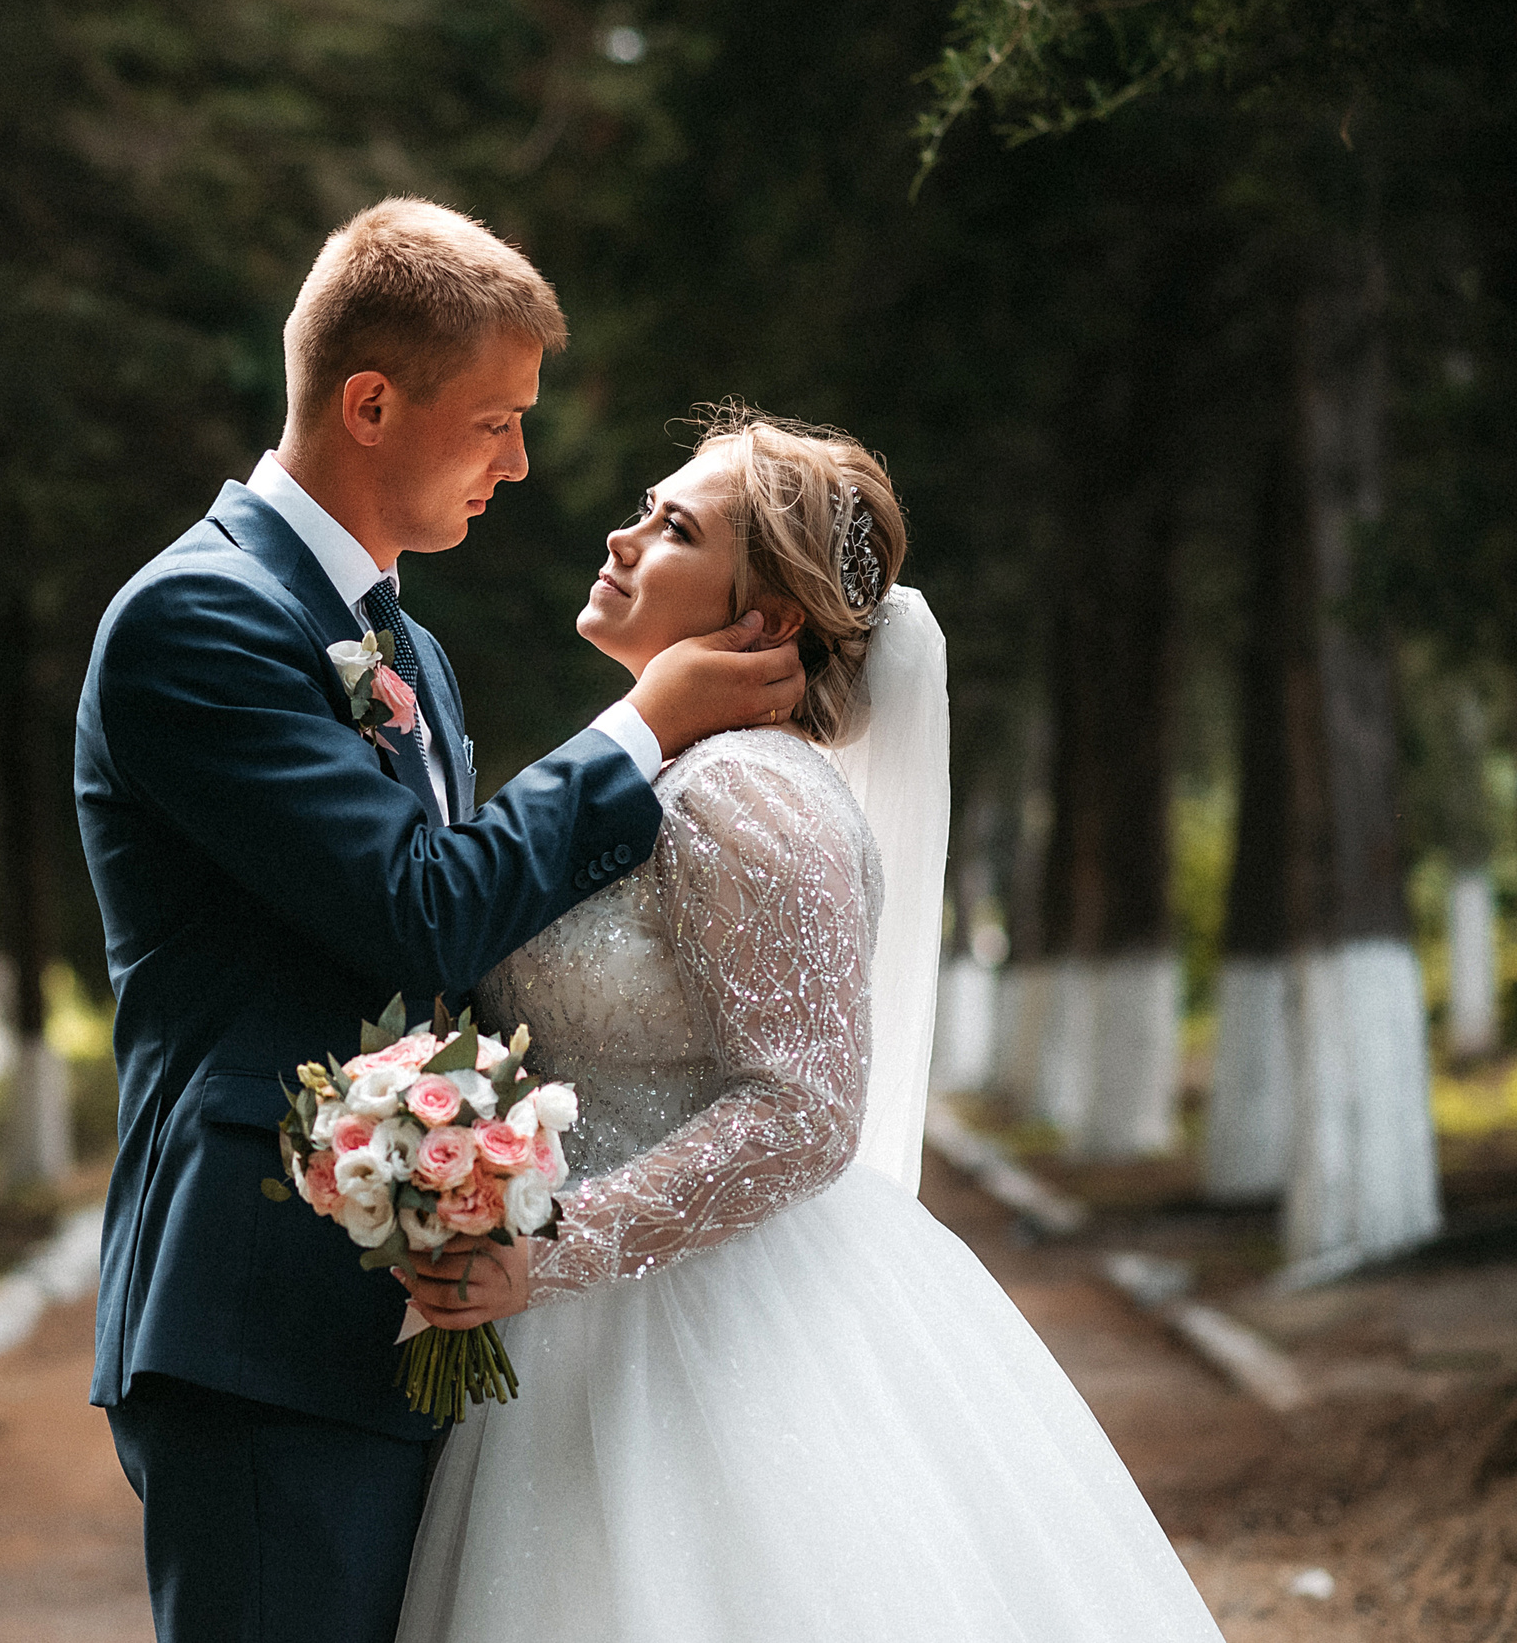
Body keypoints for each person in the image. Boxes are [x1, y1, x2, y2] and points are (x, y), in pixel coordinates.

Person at [73, 200, 804, 1643]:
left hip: (414, 1307)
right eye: (494, 422)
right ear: (368, 403)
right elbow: (417, 908)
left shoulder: (409, 648)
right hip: (260, 1314)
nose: (522, 463)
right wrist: (641, 729)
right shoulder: (195, 622)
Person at [394, 408, 1226, 1642]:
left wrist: (553, 1246)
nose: (622, 537)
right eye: (645, 505)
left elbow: (804, 1109)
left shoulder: (747, 794)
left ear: (768, 618)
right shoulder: (670, 773)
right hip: (586, 1324)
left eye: (673, 527)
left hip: (693, 1328)